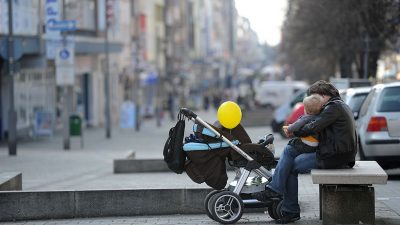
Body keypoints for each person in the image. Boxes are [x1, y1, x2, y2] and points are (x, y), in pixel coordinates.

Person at [252, 80, 357, 224]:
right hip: (335, 153)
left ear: (323, 95)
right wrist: (294, 131)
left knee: (289, 165)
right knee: (289, 151)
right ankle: (277, 192)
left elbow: (313, 127)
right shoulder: (336, 105)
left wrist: (293, 131)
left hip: (335, 157)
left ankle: (287, 206)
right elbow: (313, 126)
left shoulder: (333, 107)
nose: (314, 101)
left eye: (314, 97)